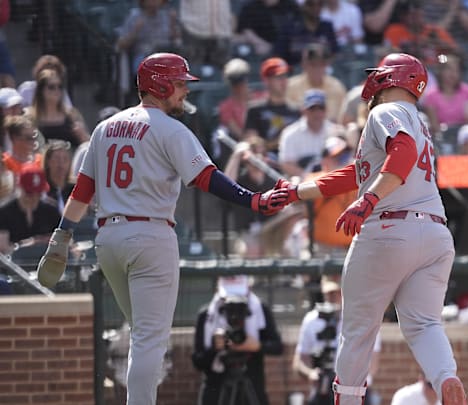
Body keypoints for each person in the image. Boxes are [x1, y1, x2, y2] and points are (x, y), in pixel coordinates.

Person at [34, 53, 289, 405]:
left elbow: (83, 190)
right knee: (149, 340)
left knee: (142, 336)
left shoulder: (105, 127)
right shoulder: (170, 129)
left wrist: (62, 235)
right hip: (150, 237)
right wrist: (254, 200)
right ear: (161, 84)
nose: (185, 90)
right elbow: (206, 178)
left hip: (108, 240)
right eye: (180, 83)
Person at [270, 52, 467, 405]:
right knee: (424, 325)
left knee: (358, 329)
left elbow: (400, 157)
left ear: (389, 79)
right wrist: (299, 191)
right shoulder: (420, 121)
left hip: (389, 228)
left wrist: (367, 201)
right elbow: (358, 173)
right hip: (435, 233)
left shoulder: (385, 111)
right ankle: (446, 379)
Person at [192, 275, 283, 405]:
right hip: (216, 392)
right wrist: (215, 348)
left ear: (248, 289)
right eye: (228, 302)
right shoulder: (206, 315)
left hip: (251, 388)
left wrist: (256, 346)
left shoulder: (260, 310)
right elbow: (197, 361)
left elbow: (277, 347)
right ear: (218, 291)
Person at [294, 276, 381, 405]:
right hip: (322, 389)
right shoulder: (311, 320)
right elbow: (299, 361)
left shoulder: (363, 319)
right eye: (329, 293)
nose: (333, 297)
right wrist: (310, 373)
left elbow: (372, 363)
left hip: (354, 390)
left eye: (337, 292)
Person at [0, 166, 60, 254]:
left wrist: (43, 241)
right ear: (19, 187)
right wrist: (24, 245)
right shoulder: (5, 211)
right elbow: (3, 249)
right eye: (29, 193)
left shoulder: (51, 210)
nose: (34, 197)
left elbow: (63, 240)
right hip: (13, 264)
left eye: (38, 193)